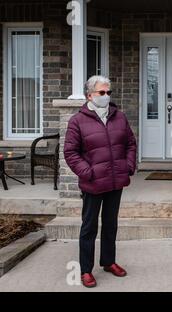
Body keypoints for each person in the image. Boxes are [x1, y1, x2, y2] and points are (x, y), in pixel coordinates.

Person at [64, 75, 137, 288]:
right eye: (101, 93)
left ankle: (108, 262)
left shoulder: (119, 117)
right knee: (89, 226)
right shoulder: (77, 121)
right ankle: (86, 270)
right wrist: (88, 172)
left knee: (110, 224)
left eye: (108, 93)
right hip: (93, 182)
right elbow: (70, 153)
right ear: (89, 95)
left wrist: (129, 166)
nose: (106, 96)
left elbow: (131, 144)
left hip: (116, 180)